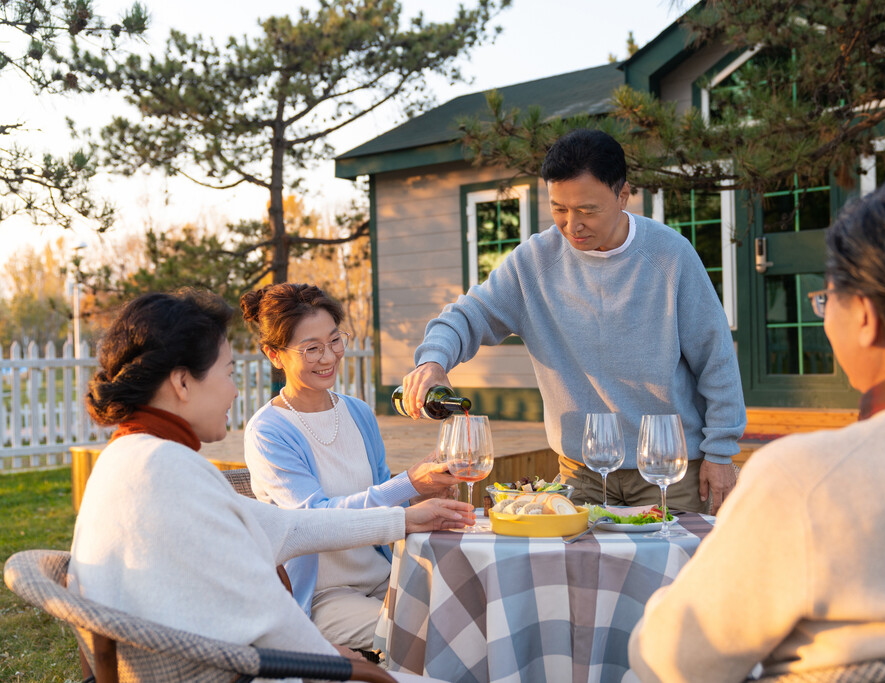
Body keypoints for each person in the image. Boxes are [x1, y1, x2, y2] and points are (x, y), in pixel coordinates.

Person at [627, 175, 885, 682]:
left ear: (866, 316)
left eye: (827, 296)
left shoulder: (804, 483)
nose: (823, 315)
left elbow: (674, 661)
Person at [69, 290, 474, 680]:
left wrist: (403, 517)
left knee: (459, 614)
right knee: (455, 641)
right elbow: (261, 608)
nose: (234, 390)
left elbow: (290, 528)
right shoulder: (164, 469)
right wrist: (323, 654)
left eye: (334, 341)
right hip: (248, 671)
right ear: (182, 383)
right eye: (228, 373)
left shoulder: (132, 457)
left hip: (222, 661)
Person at [401, 128, 746, 513]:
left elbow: (717, 360)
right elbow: (468, 314)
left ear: (623, 195)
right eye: (559, 209)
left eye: (586, 210)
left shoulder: (671, 256)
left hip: (668, 469)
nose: (572, 225)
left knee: (676, 573)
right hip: (579, 475)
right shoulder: (534, 262)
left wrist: (720, 452)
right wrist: (432, 361)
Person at [241, 283, 462, 654]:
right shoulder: (268, 432)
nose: (328, 357)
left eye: (334, 341)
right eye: (311, 348)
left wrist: (422, 491)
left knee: (469, 613)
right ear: (274, 355)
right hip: (322, 597)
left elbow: (381, 499)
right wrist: (407, 483)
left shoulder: (357, 412)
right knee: (429, 637)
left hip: (384, 574)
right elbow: (315, 521)